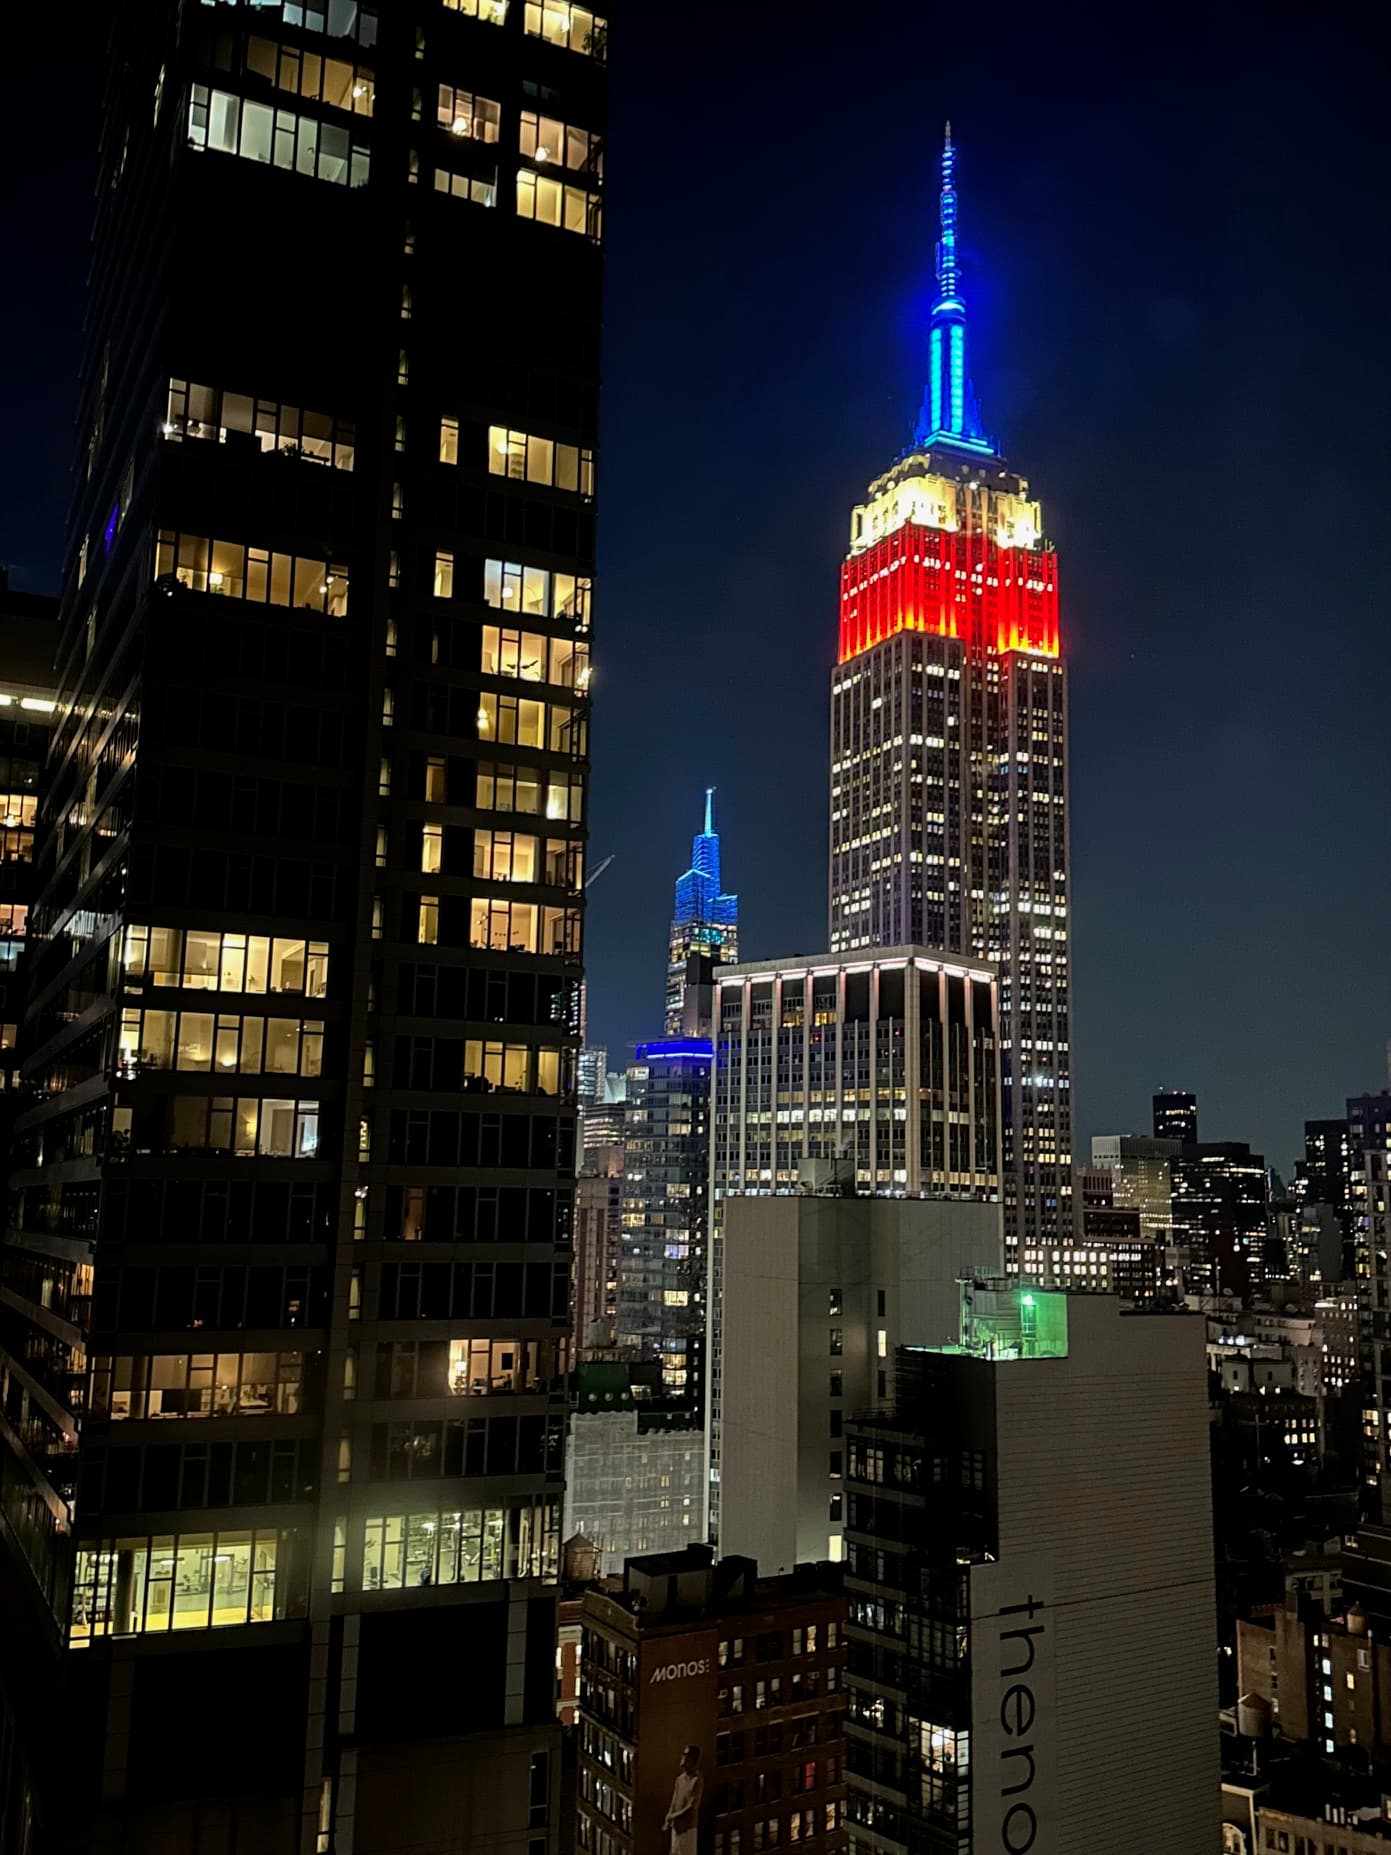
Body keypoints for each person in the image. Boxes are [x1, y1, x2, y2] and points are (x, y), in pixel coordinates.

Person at [662, 1745, 702, 1855]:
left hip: (687, 1831)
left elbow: (691, 1807)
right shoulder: (679, 1780)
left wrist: (672, 1816)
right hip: (676, 1830)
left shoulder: (697, 1781)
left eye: (685, 1755)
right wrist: (668, 1818)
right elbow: (674, 1803)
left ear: (692, 1760)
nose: (682, 1757)